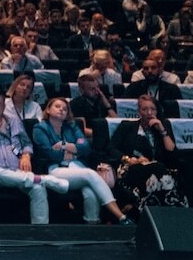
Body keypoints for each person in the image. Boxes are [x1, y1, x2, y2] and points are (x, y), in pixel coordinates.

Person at [0, 88, 68, 224]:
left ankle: (41, 230)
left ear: (4, 106)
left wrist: (26, 155)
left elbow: (27, 143)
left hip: (18, 171)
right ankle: (42, 179)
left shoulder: (13, 121)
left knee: (37, 187)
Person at [31, 96, 125, 224]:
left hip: (77, 167)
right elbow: (49, 153)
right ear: (48, 110)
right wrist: (74, 150)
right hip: (56, 169)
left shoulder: (71, 126)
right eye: (57, 107)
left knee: (90, 191)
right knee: (90, 174)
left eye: (65, 109)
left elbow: (85, 147)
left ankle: (92, 225)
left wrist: (64, 146)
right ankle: (120, 215)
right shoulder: (40, 128)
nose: (61, 110)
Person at [111, 94, 184, 216]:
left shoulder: (163, 127)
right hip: (132, 168)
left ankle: (161, 213)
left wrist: (162, 131)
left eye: (153, 109)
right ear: (139, 111)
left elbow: (172, 153)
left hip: (157, 169)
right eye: (145, 109)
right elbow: (111, 149)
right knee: (160, 172)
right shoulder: (127, 126)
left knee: (159, 170)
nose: (149, 113)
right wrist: (128, 159)